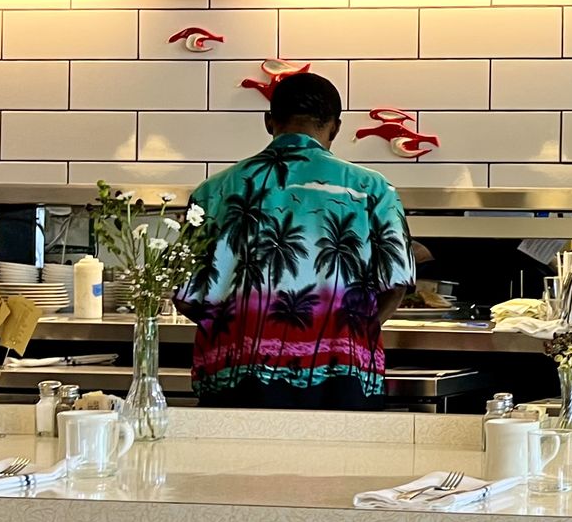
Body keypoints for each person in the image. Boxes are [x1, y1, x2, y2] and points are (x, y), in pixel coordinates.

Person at [174, 74, 414, 410]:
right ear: (335, 128)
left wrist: (235, 328)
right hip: (343, 380)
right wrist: (354, 334)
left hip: (236, 381)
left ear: (268, 121)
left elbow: (185, 296)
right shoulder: (372, 189)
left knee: (233, 447)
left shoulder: (213, 191)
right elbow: (397, 283)